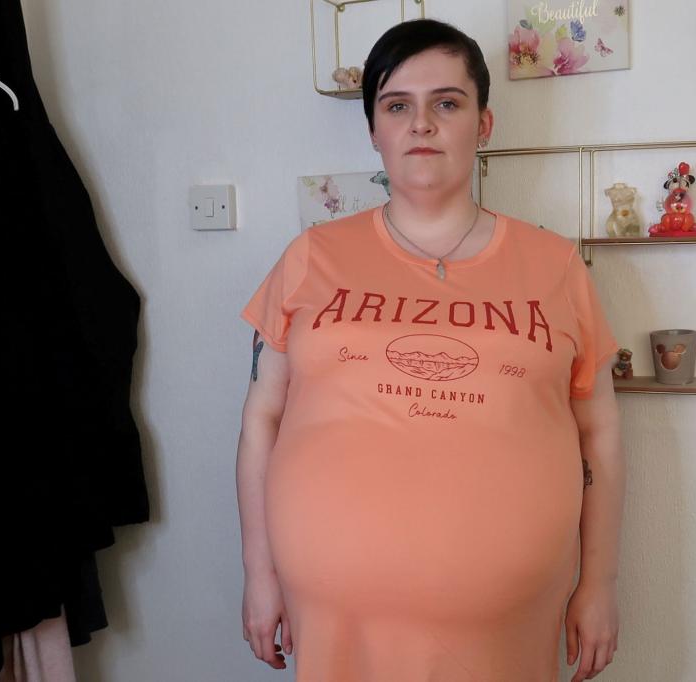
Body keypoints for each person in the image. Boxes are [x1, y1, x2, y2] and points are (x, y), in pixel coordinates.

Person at [236, 18, 625, 682]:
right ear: (374, 132)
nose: (422, 124)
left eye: (446, 102)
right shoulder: (311, 259)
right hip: (335, 620)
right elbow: (261, 420)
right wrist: (259, 572)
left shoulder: (556, 267)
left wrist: (600, 584)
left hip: (509, 623)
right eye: (397, 106)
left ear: (484, 124)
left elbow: (602, 434)